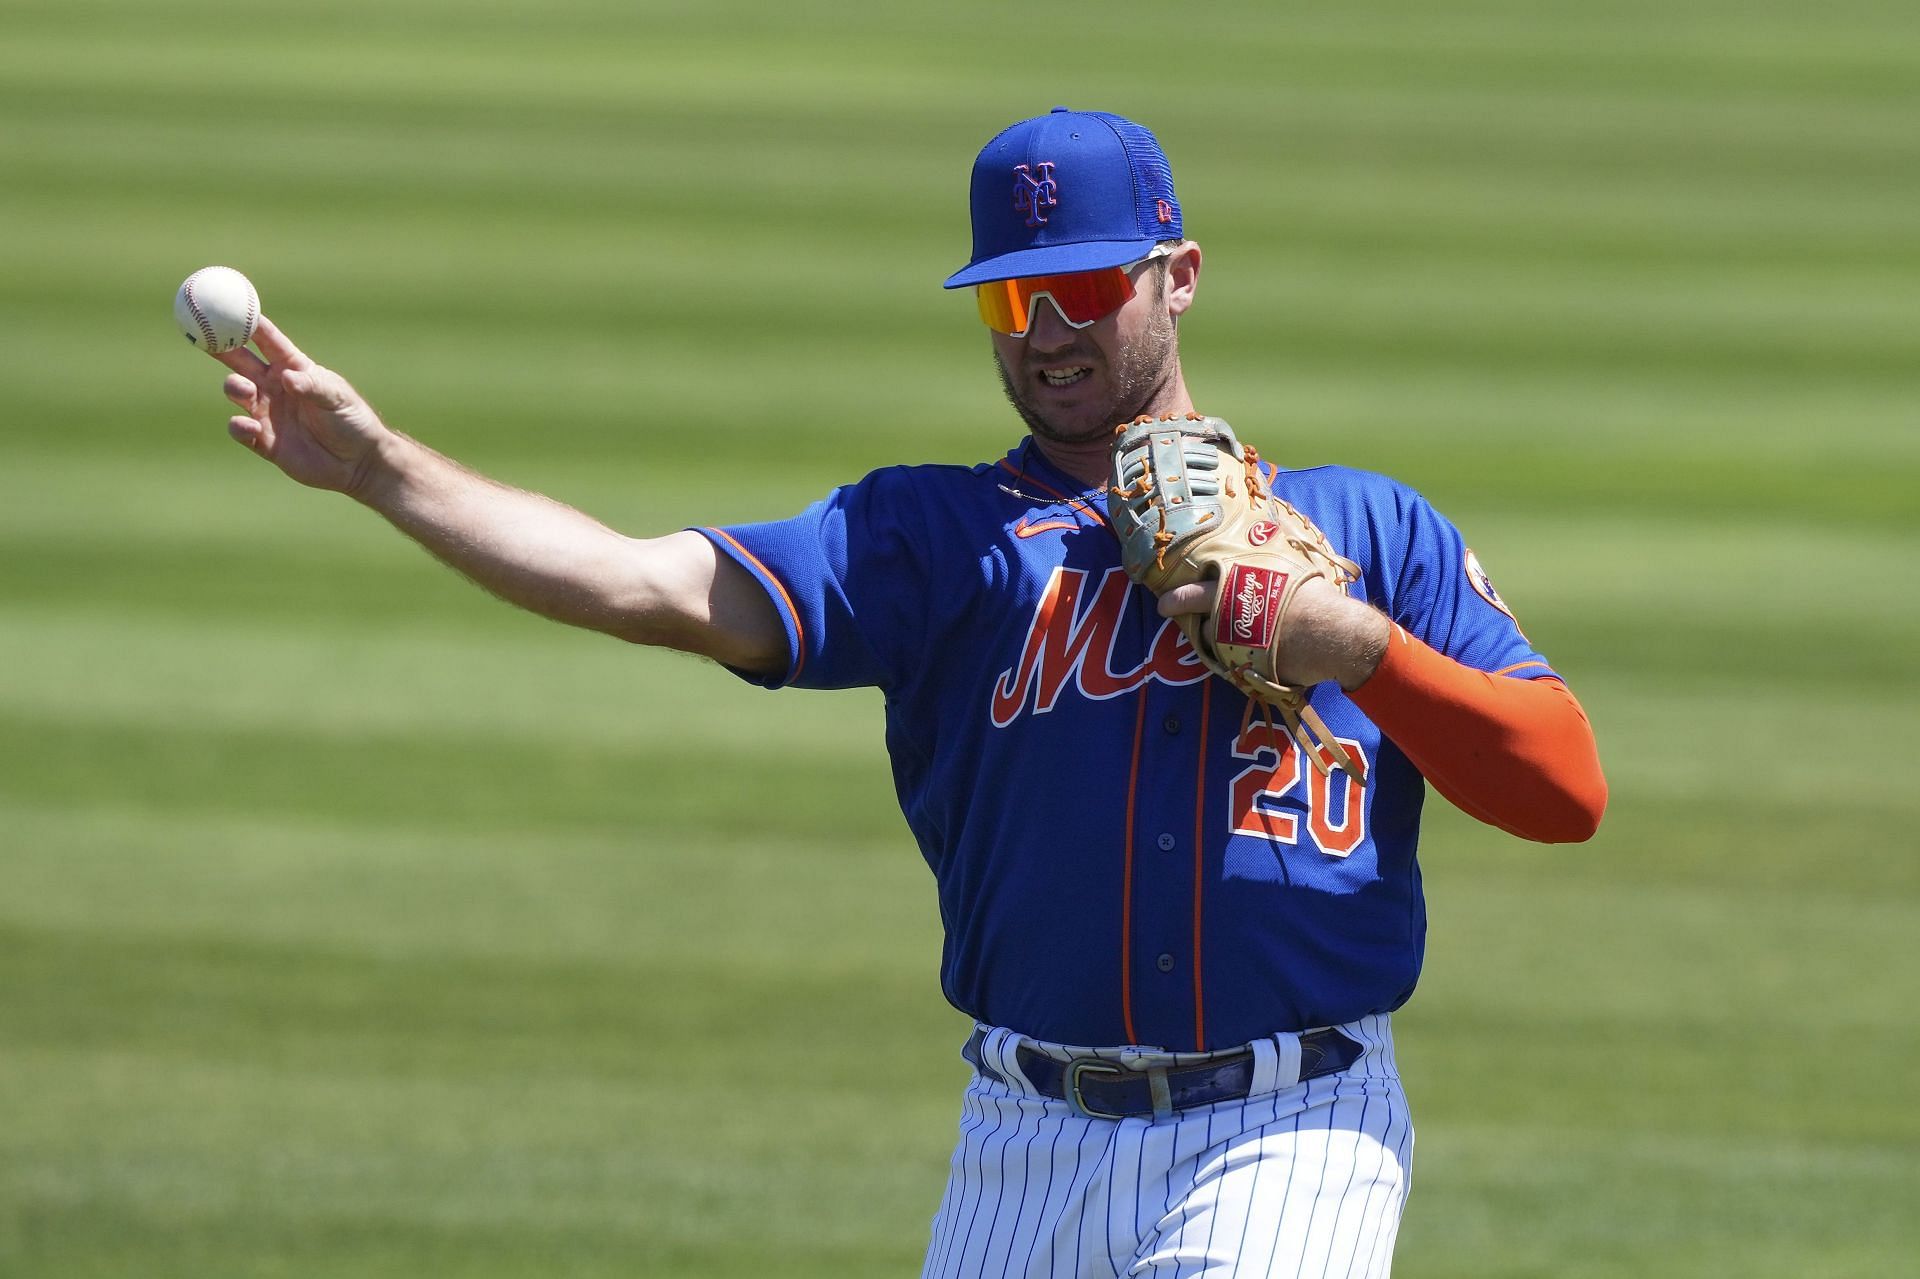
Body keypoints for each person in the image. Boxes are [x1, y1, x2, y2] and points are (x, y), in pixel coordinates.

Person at [207, 107, 1605, 1278]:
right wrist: (385, 470)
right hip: (1021, 1138)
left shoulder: (1367, 531)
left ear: (1178, 275)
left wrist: (1359, 652)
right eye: (1012, 295)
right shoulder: (924, 540)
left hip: (1289, 1132)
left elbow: (1565, 792)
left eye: (1089, 288)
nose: (1047, 328)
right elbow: (640, 584)